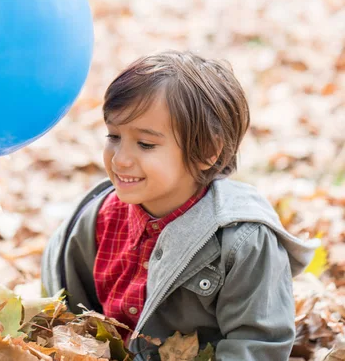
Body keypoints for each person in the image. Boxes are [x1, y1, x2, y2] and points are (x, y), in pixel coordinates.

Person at [42, 50, 317, 360]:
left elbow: (256, 344)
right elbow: (73, 318)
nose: (121, 159)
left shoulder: (243, 241)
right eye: (114, 136)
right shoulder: (98, 219)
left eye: (145, 144)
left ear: (207, 152)